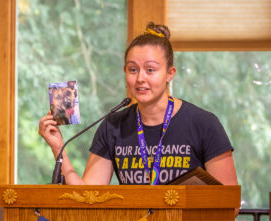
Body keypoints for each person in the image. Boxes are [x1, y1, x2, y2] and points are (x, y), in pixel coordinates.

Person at [39, 22, 238, 189]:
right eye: (133, 69)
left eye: (150, 70)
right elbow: (88, 198)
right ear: (125, 71)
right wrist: (58, 147)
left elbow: (231, 205)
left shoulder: (203, 123)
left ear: (170, 73)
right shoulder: (112, 126)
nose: (140, 78)